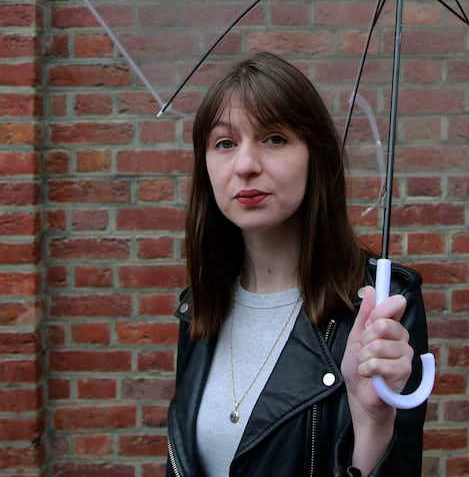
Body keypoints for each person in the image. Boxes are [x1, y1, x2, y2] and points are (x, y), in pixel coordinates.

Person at [166, 52, 429, 477]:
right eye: (225, 143)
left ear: (314, 156)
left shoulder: (380, 306)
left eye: (274, 138)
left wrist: (373, 424)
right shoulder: (199, 308)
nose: (247, 165)